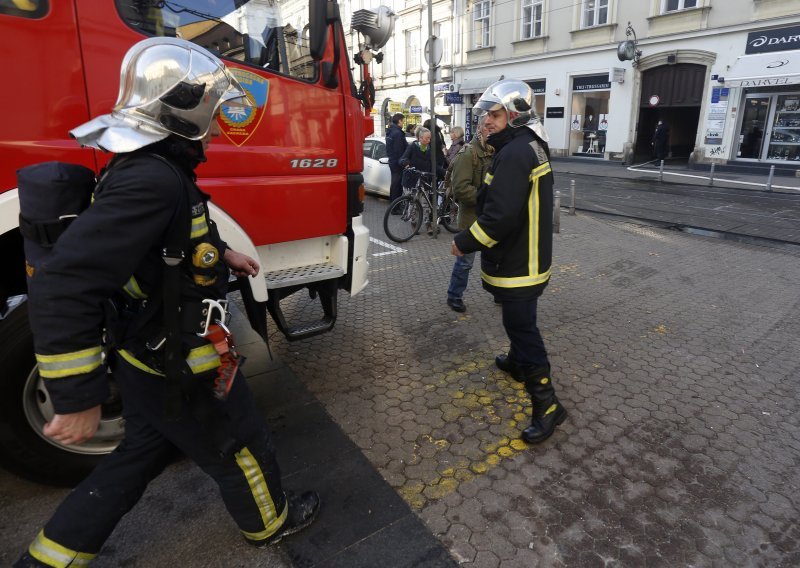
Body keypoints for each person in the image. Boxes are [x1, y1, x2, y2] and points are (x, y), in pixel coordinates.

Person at [15, 37, 319, 568]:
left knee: (137, 456)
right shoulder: (154, 177)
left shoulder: (145, 163)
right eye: (210, 104)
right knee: (241, 445)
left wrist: (222, 254)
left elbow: (167, 244)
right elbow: (65, 280)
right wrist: (77, 396)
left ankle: (47, 559)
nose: (216, 116)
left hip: (145, 357)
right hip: (181, 360)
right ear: (186, 105)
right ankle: (272, 523)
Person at [450, 79, 567, 445]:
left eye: (495, 114)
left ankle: (548, 405)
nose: (488, 120)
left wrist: (464, 242)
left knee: (522, 328)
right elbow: (492, 193)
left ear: (515, 114)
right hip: (526, 257)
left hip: (520, 262)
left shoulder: (517, 153)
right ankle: (518, 363)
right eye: (487, 114)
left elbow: (499, 216)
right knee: (519, 321)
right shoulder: (522, 146)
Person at [445, 117, 492, 313]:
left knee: (495, 259)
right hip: (471, 219)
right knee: (465, 262)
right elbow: (460, 189)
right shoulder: (468, 153)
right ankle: (454, 295)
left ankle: (498, 291)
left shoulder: (495, 151)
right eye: (488, 127)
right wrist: (489, 198)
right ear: (480, 129)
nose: (492, 130)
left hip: (492, 218)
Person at [385, 113, 409, 202]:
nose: (403, 123)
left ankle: (393, 204)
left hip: (393, 161)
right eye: (403, 121)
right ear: (399, 121)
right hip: (397, 162)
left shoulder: (391, 131)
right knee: (397, 185)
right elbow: (399, 150)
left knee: (394, 184)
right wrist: (403, 162)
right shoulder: (397, 133)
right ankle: (395, 206)